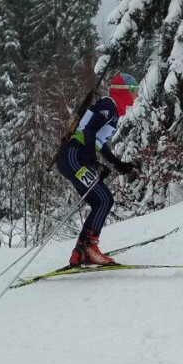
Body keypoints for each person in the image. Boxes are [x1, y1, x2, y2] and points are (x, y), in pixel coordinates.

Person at [56, 72, 140, 266]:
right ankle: (90, 249)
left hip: (75, 158)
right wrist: (93, 161)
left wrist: (117, 163)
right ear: (124, 91)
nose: (136, 96)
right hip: (73, 156)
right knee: (104, 199)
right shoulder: (108, 106)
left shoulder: (112, 111)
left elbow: (98, 142)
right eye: (133, 90)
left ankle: (80, 252)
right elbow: (89, 131)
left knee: (100, 200)